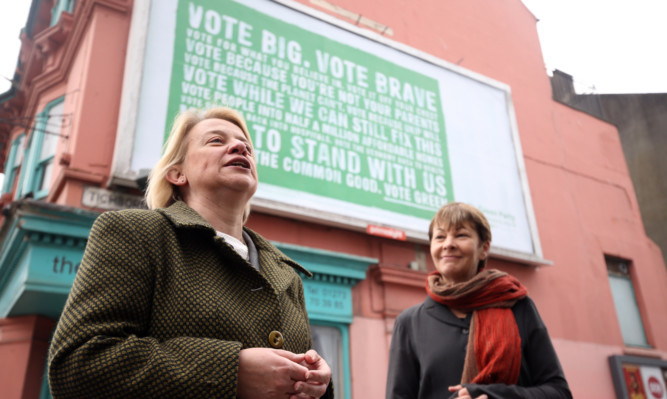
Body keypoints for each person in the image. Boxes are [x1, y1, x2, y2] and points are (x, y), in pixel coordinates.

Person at [48, 106, 333, 398]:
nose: (241, 147)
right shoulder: (135, 232)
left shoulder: (286, 275)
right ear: (177, 173)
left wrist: (316, 383)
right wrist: (231, 370)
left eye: (246, 146)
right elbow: (77, 364)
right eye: (216, 141)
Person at [386, 202, 571, 399]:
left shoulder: (517, 305)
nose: (448, 243)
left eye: (461, 235)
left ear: (484, 249)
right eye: (440, 237)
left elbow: (559, 392)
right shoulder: (410, 322)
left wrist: (496, 396)